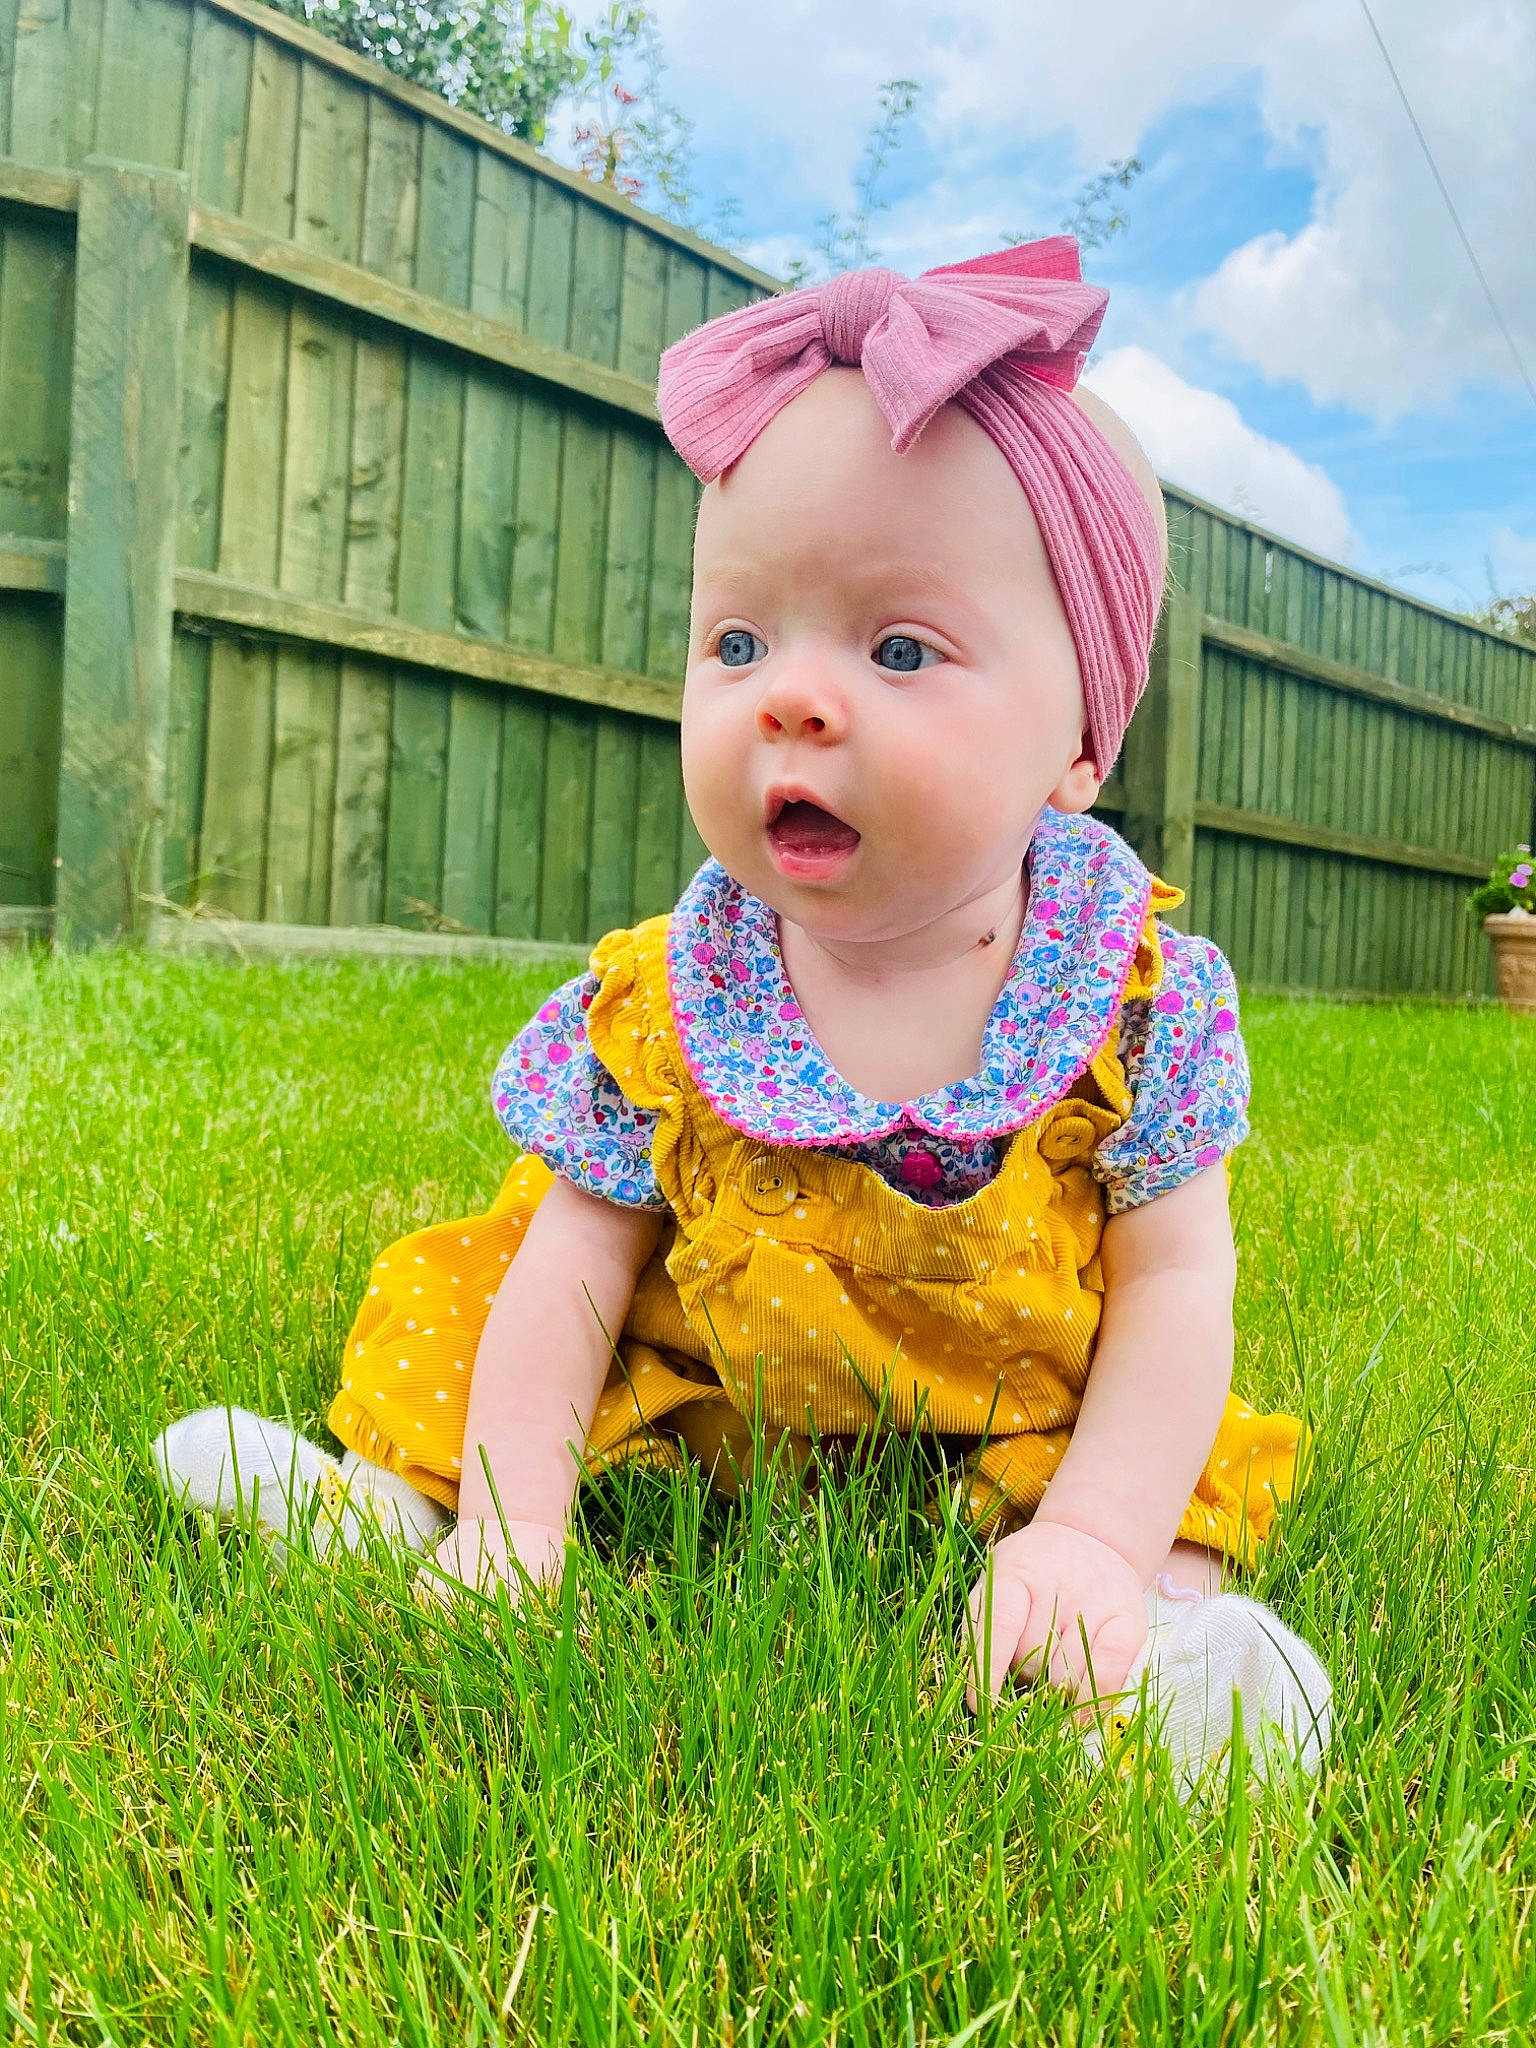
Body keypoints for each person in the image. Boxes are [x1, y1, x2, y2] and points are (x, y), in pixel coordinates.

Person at [155, 242, 1331, 1788]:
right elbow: (578, 1264)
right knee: (489, 1312)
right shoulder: (669, 997)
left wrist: (1102, 1534)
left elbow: (1177, 1282)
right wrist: (518, 1529)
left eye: (900, 648)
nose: (792, 697)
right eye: (738, 643)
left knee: (1153, 1483)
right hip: (714, 1382)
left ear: (1080, 743)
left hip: (1000, 1410)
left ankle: (1139, 1648)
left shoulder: (1132, 997)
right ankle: (411, 1508)